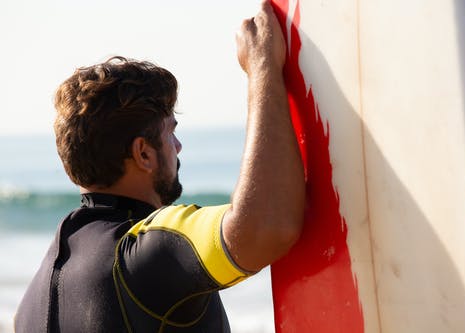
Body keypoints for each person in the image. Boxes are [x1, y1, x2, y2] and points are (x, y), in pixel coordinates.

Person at [15, 1, 305, 332]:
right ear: (143, 154)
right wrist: (263, 64)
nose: (178, 147)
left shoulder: (34, 299)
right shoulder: (143, 248)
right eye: (171, 134)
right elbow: (267, 226)